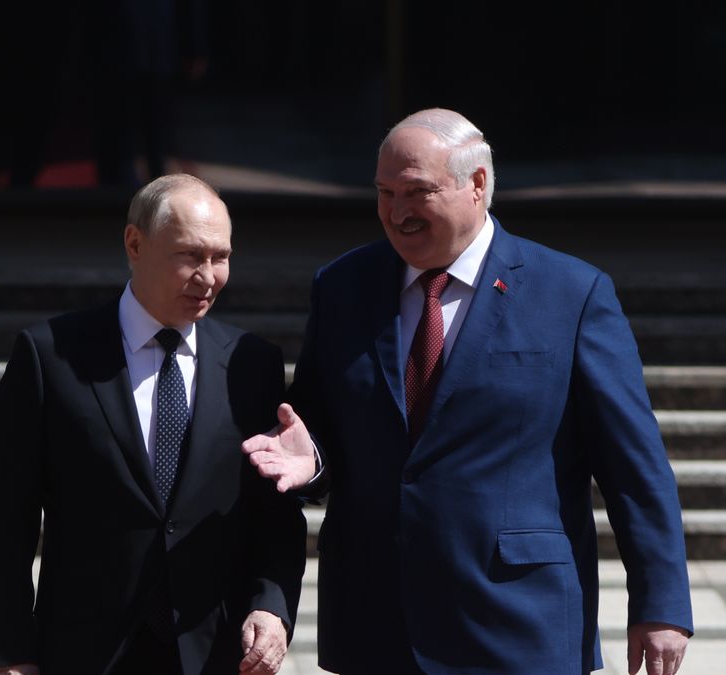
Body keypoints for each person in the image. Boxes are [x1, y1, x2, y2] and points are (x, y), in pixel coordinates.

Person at [242, 108, 693, 674]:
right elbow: (315, 432)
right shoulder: (343, 287)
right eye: (384, 193)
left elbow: (634, 466)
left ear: (477, 184)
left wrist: (661, 605)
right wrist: (310, 464)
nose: (397, 213)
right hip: (377, 620)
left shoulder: (571, 294)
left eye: (416, 192)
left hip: (518, 619)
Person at [0, 174, 306, 675]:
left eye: (221, 257)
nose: (208, 276)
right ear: (135, 243)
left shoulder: (251, 364)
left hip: (213, 653)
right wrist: (9, 657)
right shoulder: (50, 357)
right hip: (85, 652)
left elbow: (274, 517)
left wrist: (271, 608)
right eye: (190, 256)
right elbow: (6, 523)